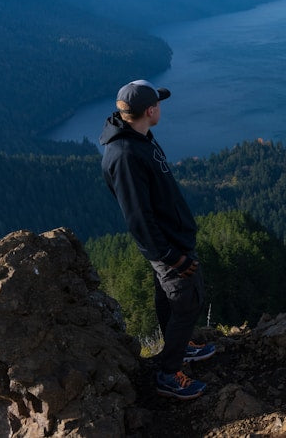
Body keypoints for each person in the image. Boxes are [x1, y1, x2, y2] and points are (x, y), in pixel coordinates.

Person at [100, 80, 216, 400]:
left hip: (170, 239)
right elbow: (138, 216)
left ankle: (180, 347)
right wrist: (170, 256)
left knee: (169, 299)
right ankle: (169, 373)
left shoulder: (138, 137)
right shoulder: (125, 154)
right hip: (166, 246)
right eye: (158, 104)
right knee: (186, 301)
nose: (161, 108)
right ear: (150, 111)